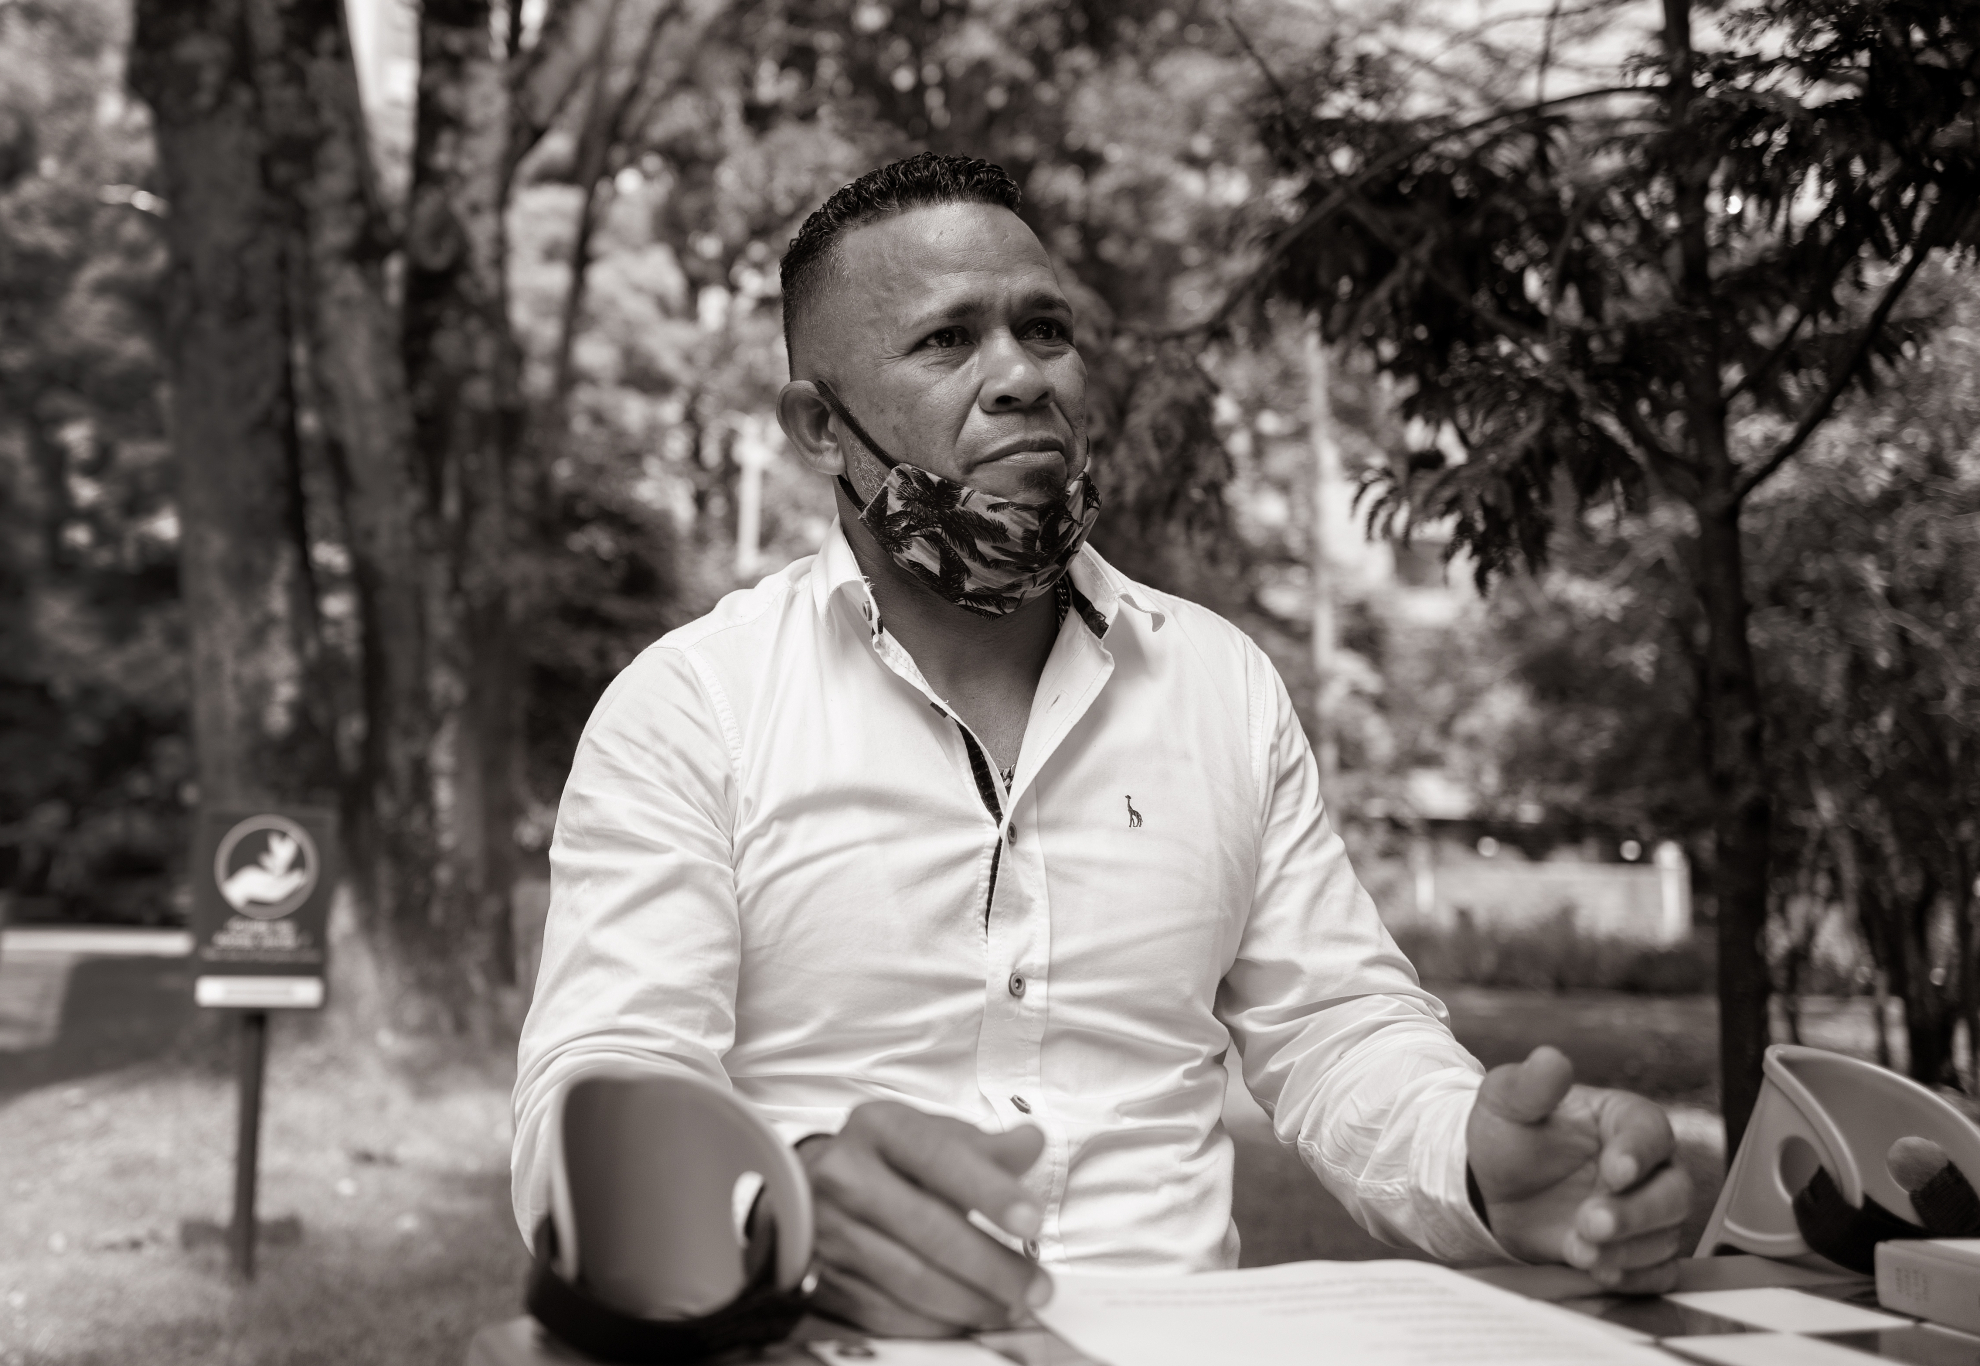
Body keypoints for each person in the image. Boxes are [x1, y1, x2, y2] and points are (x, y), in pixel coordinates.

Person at [513, 153, 1692, 1337]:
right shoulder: (690, 707)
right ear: (821, 427)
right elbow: (597, 1099)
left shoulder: (1219, 685)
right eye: (945, 342)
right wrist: (783, 1209)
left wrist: (1478, 1157)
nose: (1020, 375)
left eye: (1044, 328)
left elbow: (1332, 1030)